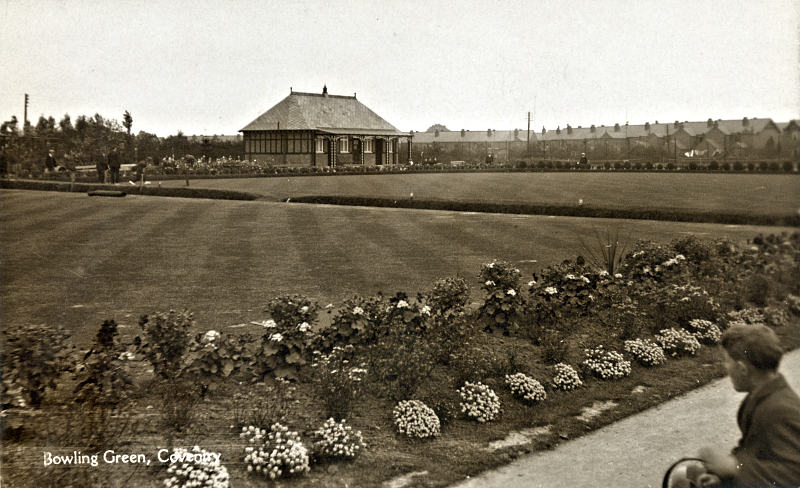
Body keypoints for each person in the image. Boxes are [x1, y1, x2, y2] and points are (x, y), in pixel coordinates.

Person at [695, 324, 800, 487]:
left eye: (727, 361)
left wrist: (733, 468)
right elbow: (751, 450)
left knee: (683, 477)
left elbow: (794, 471)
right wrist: (721, 476)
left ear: (742, 368)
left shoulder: (780, 409)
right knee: (689, 474)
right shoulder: (760, 398)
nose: (726, 367)